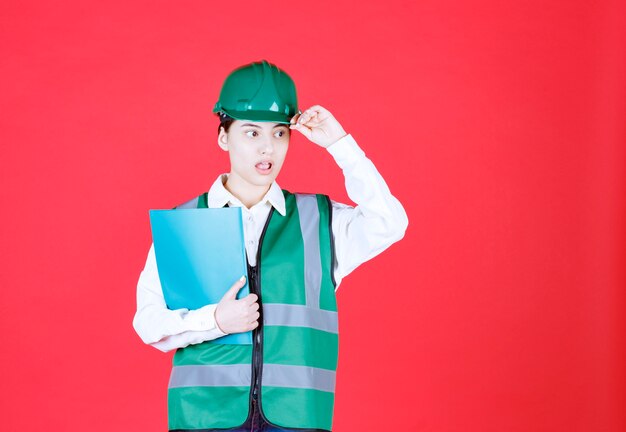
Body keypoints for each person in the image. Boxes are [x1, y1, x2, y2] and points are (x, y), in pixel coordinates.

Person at [133, 59, 408, 432]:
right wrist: (214, 320)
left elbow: (390, 222)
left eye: (279, 133)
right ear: (223, 136)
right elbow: (148, 324)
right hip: (203, 418)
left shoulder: (319, 220)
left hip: (297, 417)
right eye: (251, 133)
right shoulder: (184, 224)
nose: (268, 148)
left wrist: (341, 144)